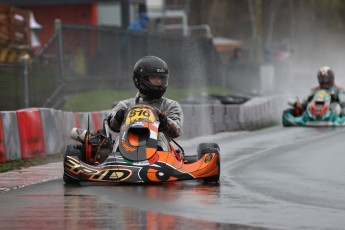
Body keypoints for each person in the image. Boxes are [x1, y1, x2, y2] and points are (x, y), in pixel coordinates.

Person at [108, 56, 184, 151]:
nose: (158, 81)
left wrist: (165, 122)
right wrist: (118, 118)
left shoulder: (170, 105)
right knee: (119, 139)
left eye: (161, 78)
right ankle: (117, 159)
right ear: (139, 80)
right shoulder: (125, 105)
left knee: (159, 136)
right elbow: (112, 125)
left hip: (159, 153)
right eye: (153, 77)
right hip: (128, 146)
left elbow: (176, 131)